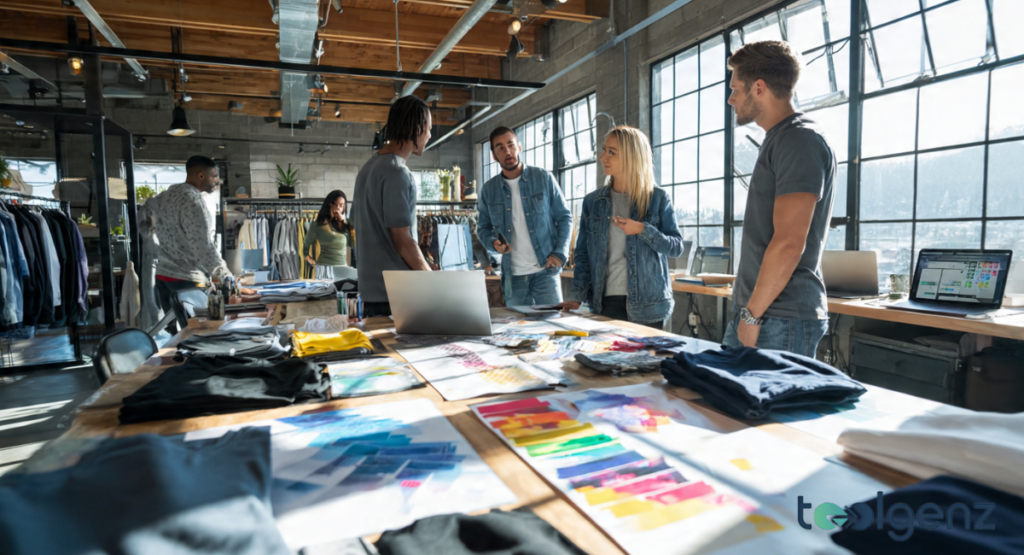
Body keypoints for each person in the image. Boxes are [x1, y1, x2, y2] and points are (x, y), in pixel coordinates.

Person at [723, 40, 837, 357]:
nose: (731, 98)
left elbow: (789, 242)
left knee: (764, 408)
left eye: (736, 89)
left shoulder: (799, 140)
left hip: (778, 318)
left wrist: (752, 314)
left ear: (759, 88)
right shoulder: (781, 139)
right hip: (762, 313)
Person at [556, 126, 683, 328]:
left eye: (611, 152)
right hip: (605, 303)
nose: (602, 157)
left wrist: (644, 230)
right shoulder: (592, 202)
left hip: (649, 306)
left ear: (631, 156)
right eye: (605, 150)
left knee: (644, 360)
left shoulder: (658, 198)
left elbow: (676, 247)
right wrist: (577, 296)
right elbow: (582, 254)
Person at [352, 95, 433, 318]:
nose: (429, 135)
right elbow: (403, 241)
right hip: (397, 295)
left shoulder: (367, 170)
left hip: (370, 293)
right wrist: (432, 281)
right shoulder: (398, 173)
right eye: (429, 128)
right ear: (417, 127)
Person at [148, 155, 248, 327]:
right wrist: (228, 279)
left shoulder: (162, 198)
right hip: (187, 281)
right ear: (201, 176)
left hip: (163, 278)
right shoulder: (192, 201)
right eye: (214, 176)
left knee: (181, 339)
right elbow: (203, 247)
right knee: (203, 334)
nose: (216, 181)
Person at [477, 126, 571, 306]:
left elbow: (565, 217)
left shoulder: (543, 178)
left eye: (510, 145)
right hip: (513, 278)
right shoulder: (489, 190)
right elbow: (483, 228)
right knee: (516, 330)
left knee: (553, 327)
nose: (507, 151)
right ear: (494, 156)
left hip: (546, 272)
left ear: (519, 147)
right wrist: (493, 243)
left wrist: (559, 253)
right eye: (500, 148)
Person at [304, 190, 354, 280]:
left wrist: (344, 222)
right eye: (336, 204)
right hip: (324, 268)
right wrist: (312, 262)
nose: (338, 208)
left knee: (342, 293)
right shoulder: (317, 225)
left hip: (342, 267)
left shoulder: (348, 224)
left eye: (341, 205)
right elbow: (305, 247)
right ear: (329, 205)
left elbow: (353, 244)